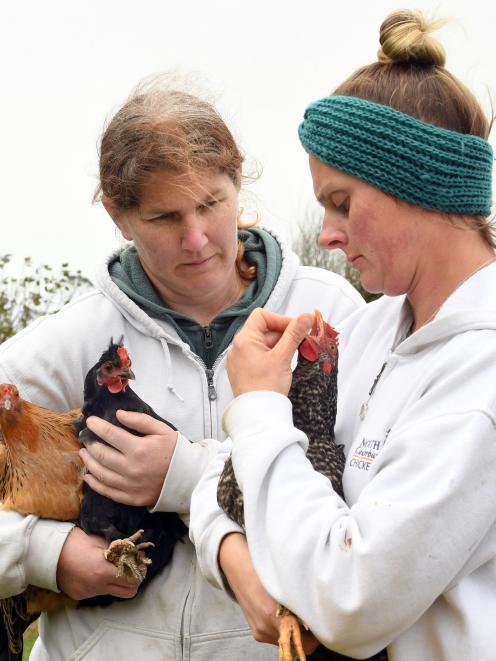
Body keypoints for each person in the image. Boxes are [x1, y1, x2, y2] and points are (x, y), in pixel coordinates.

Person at [0, 78, 364, 660]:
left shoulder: (328, 313)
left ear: (238, 179)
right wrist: (49, 554)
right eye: (164, 217)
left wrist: (184, 474)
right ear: (119, 215)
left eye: (211, 205)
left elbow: (384, 500)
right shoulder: (67, 341)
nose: (195, 239)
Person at [190, 9, 496, 661]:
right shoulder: (366, 330)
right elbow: (216, 473)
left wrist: (260, 408)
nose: (326, 234)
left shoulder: (483, 373)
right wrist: (235, 557)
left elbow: (352, 597)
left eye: (341, 202)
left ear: (414, 184)